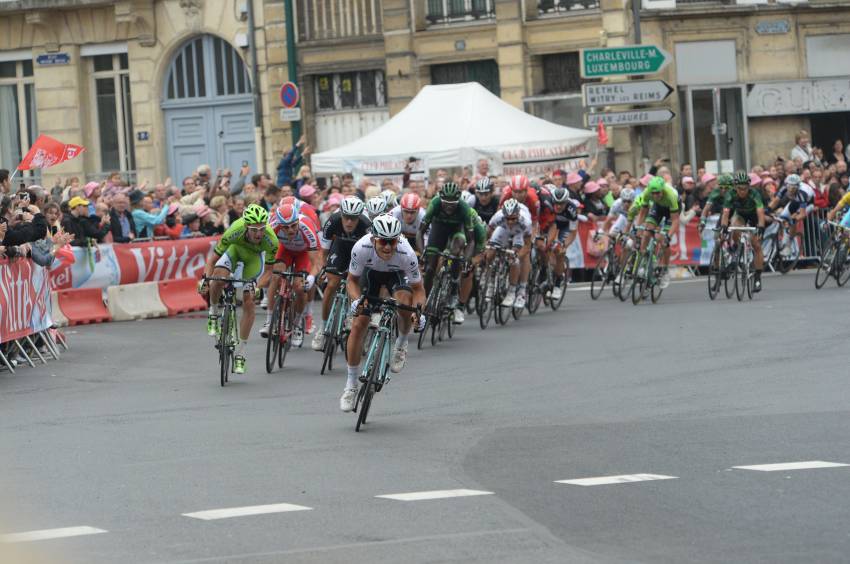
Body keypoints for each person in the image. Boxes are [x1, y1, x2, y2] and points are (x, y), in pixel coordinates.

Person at [339, 214, 425, 412]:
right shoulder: (361, 247)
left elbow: (419, 289)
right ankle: (351, 385)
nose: (387, 247)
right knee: (359, 323)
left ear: (398, 239)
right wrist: (356, 301)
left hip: (396, 275)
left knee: (404, 302)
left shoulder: (406, 252)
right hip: (371, 274)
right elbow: (351, 280)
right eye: (383, 241)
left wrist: (419, 312)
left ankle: (401, 345)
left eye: (392, 241)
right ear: (373, 239)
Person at [204, 204, 279, 375]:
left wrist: (258, 288)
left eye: (261, 229)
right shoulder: (234, 230)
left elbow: (268, 272)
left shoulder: (271, 239)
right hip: (235, 251)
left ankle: (241, 352)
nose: (258, 234)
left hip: (253, 262)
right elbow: (212, 259)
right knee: (218, 277)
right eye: (254, 230)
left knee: (249, 301)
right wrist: (206, 280)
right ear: (246, 226)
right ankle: (214, 312)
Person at [312, 196, 371, 351]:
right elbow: (323, 252)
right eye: (346, 217)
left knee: (356, 286)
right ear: (341, 215)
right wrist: (324, 268)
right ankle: (323, 329)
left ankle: (353, 317)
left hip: (360, 252)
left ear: (359, 217)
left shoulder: (367, 226)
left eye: (353, 218)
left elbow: (372, 255)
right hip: (340, 248)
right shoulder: (333, 221)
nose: (349, 222)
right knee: (331, 285)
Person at [262, 202, 321, 347]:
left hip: (303, 254)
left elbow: (316, 263)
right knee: (275, 276)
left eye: (293, 226)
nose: (290, 230)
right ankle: (269, 321)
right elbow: (266, 253)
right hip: (284, 250)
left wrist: (311, 277)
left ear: (297, 221)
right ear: (280, 225)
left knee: (299, 288)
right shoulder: (273, 226)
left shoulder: (306, 227)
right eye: (286, 227)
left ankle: (296, 326)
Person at [417, 182, 475, 295]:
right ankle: (424, 300)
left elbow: (471, 240)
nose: (449, 206)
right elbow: (420, 231)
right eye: (446, 203)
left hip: (457, 231)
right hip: (439, 230)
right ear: (441, 199)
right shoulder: (435, 203)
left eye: (452, 203)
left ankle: (453, 290)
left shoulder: (464, 208)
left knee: (455, 252)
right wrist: (422, 251)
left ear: (458, 201)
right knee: (429, 269)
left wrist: (467, 259)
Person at [720, 171, 766, 292]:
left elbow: (760, 211)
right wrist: (724, 226)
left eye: (745, 188)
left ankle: (757, 277)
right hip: (740, 216)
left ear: (749, 187)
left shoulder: (754, 193)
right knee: (735, 225)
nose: (742, 191)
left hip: (754, 217)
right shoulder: (730, 194)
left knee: (756, 245)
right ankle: (737, 248)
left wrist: (761, 226)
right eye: (740, 188)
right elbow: (726, 213)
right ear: (735, 187)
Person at [631, 176, 680, 289]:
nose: (656, 195)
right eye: (653, 193)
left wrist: (669, 236)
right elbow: (643, 213)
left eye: (658, 193)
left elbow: (675, 220)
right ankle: (643, 259)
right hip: (658, 207)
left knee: (663, 241)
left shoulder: (671, 196)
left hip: (671, 211)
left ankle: (664, 270)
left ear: (662, 190)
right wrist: (638, 227)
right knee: (647, 232)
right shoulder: (647, 193)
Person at [486, 198, 533, 308]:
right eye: (508, 218)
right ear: (503, 215)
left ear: (518, 215)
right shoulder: (498, 217)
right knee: (490, 253)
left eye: (513, 218)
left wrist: (516, 255)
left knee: (515, 261)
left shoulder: (525, 222)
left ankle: (515, 292)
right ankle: (491, 283)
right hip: (503, 229)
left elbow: (527, 246)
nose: (510, 221)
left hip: (519, 233)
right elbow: (488, 233)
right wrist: (487, 245)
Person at [547, 187, 580, 300]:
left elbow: (573, 232)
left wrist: (564, 245)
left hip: (566, 228)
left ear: (567, 201)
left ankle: (557, 283)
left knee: (558, 250)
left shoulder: (572, 209)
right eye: (556, 203)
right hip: (551, 225)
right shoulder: (548, 204)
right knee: (544, 246)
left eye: (562, 203)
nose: (559, 206)